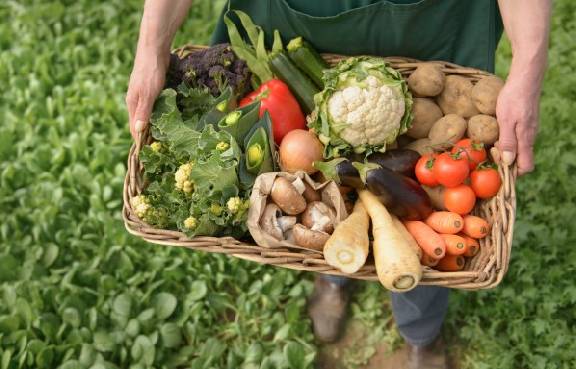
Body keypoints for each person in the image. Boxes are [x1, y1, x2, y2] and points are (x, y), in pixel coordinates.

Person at [127, 1, 551, 367]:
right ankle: (333, 272)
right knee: (331, 199)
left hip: (428, 27)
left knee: (423, 219)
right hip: (298, 22)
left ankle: (419, 330)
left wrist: (529, 66)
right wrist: (150, 48)